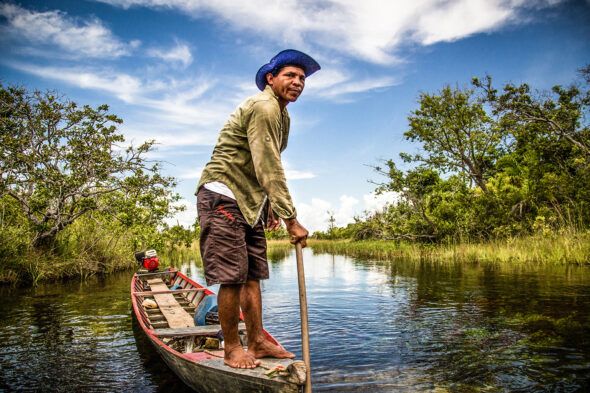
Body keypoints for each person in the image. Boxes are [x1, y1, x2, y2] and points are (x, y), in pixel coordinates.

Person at [195, 49, 320, 369]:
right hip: (223, 195)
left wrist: (269, 208)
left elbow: (262, 164)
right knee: (232, 278)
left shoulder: (282, 114)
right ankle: (232, 349)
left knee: (252, 276)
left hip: (249, 202)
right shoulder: (264, 107)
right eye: (290, 75)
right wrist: (292, 219)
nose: (298, 82)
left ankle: (258, 341)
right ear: (271, 78)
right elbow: (269, 166)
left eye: (302, 78)